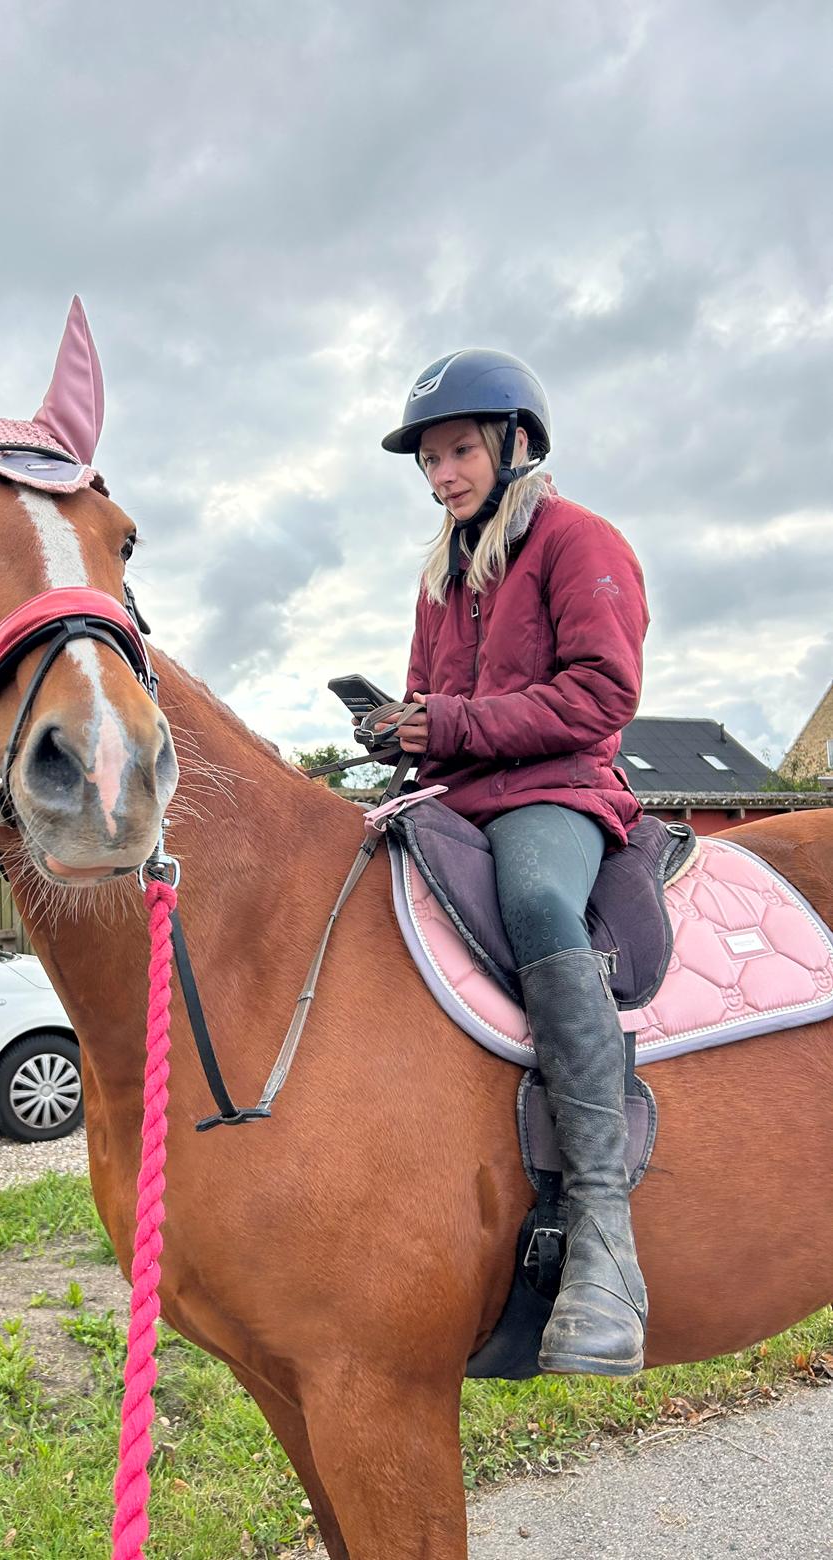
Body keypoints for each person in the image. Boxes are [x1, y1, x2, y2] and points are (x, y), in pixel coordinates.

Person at [380, 349, 650, 1376]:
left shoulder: (581, 542)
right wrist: (404, 730)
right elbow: (430, 698)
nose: (441, 474)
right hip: (460, 790)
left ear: (516, 444)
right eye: (430, 461)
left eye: (456, 453)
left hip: (557, 792)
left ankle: (606, 1233)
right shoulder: (441, 571)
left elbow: (601, 694)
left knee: (539, 902)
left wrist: (447, 720)